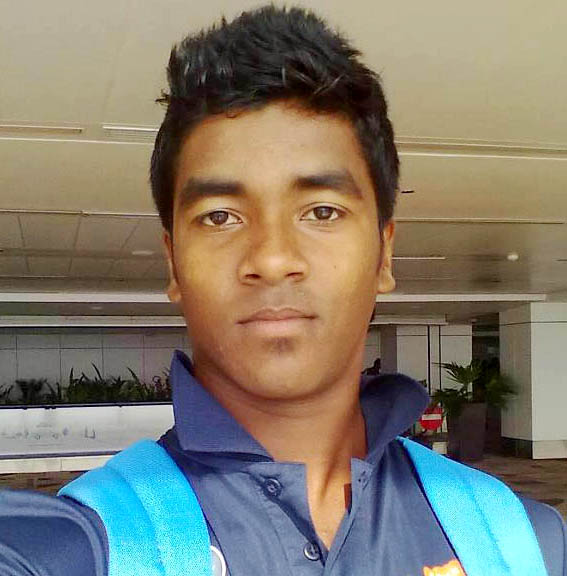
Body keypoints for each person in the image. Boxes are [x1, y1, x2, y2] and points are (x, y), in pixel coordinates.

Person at [1, 6, 565, 576]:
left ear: (384, 254)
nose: (272, 260)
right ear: (173, 262)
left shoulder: (525, 541)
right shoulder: (80, 545)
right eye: (220, 216)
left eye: (322, 211)